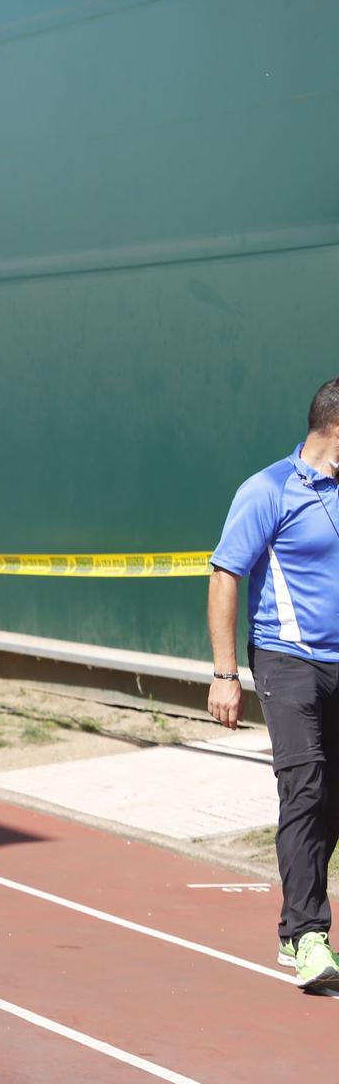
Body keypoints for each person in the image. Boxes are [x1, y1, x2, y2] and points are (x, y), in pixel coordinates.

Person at [208, 376, 339, 993]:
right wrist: (225, 674)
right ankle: (310, 933)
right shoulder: (267, 490)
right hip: (286, 659)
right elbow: (225, 575)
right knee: (305, 782)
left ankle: (294, 925)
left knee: (330, 798)